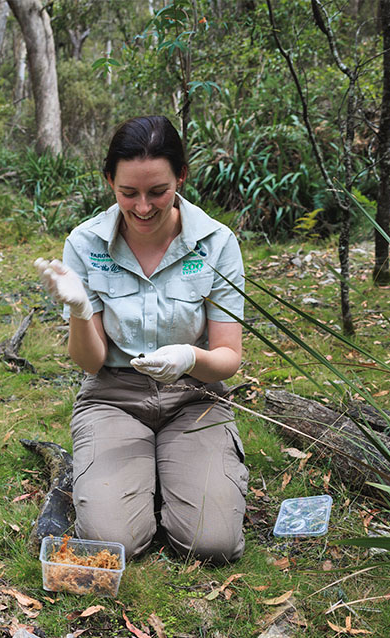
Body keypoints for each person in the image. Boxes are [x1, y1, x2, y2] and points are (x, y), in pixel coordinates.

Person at [35, 115, 248, 565]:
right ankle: (129, 484)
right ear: (109, 181)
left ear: (181, 177)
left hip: (194, 397)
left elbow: (229, 357)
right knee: (118, 544)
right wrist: (79, 310)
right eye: (128, 193)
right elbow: (90, 363)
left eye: (158, 191)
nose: (145, 207)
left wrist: (190, 356)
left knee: (212, 545)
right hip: (113, 396)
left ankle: (172, 474)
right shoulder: (86, 243)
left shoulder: (216, 243)